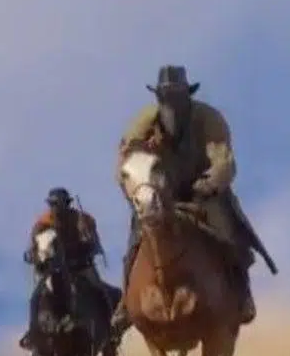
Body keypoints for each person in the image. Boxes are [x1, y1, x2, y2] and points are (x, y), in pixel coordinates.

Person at [111, 65, 270, 334]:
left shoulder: (209, 119)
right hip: (161, 191)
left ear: (187, 96)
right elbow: (125, 164)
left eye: (176, 96)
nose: (171, 103)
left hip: (204, 191)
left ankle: (242, 295)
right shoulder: (144, 123)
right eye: (165, 97)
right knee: (136, 241)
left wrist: (208, 184)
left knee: (229, 234)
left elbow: (224, 163)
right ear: (158, 98)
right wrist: (140, 189)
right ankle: (126, 303)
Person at [20, 187, 121, 350]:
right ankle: (33, 333)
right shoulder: (42, 224)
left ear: (68, 204)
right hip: (54, 271)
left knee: (102, 291)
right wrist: (33, 257)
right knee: (36, 297)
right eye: (52, 205)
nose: (56, 209)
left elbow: (94, 245)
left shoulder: (82, 220)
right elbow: (33, 250)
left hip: (81, 267)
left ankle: (111, 331)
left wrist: (84, 246)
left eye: (59, 204)